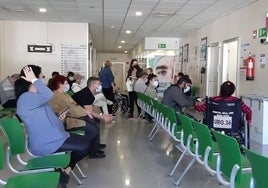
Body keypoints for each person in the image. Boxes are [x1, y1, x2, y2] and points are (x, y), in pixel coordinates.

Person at [15, 65, 92, 187]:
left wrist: (59, 119)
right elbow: (48, 94)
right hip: (46, 143)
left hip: (55, 137)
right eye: (40, 77)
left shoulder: (36, 98)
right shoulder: (25, 98)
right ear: (31, 79)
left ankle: (64, 171)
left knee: (87, 144)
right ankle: (64, 172)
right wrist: (33, 79)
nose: (42, 80)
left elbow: (47, 119)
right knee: (85, 146)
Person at [50, 74, 105, 158]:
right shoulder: (58, 96)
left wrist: (85, 113)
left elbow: (74, 107)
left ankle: (95, 146)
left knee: (93, 122)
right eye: (65, 83)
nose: (67, 85)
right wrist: (86, 113)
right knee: (92, 128)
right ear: (60, 84)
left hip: (71, 116)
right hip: (66, 120)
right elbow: (73, 109)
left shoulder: (62, 94)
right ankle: (91, 151)